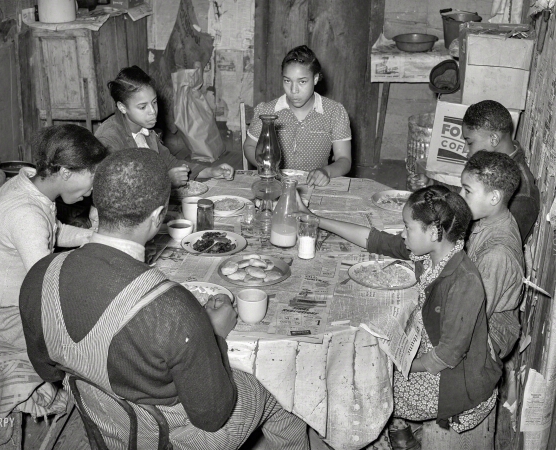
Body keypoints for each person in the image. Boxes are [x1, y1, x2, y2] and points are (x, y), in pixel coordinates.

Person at [19, 149, 309, 449]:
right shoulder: (172, 307)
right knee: (283, 394)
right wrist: (215, 336)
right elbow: (212, 416)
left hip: (103, 420)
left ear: (97, 203)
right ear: (158, 216)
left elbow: (47, 370)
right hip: (169, 435)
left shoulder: (40, 274)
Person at [297, 185, 502, 448]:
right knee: (355, 362)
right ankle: (391, 432)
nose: (403, 234)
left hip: (448, 384)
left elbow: (444, 358)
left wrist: (392, 364)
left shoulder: (464, 282)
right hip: (428, 358)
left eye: (408, 227)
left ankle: (372, 441)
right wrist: (316, 219)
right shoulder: (432, 253)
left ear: (432, 231)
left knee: (351, 384)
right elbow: (376, 240)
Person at [0, 124, 108, 349]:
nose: (91, 190)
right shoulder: (26, 215)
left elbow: (52, 230)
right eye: (91, 179)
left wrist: (92, 237)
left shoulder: (28, 185)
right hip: (6, 319)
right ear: (65, 172)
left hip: (1, 304)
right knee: (91, 336)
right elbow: (46, 283)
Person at [410, 100, 540, 243]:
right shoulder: (495, 165)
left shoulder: (522, 195)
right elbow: (472, 195)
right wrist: (432, 184)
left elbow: (500, 244)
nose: (465, 150)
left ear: (493, 139)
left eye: (470, 142)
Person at [95, 65, 234, 187]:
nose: (152, 111)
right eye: (142, 107)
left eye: (154, 102)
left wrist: (211, 171)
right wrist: (165, 181)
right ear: (122, 107)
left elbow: (169, 162)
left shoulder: (146, 130)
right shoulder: (109, 139)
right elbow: (117, 189)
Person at [243, 45, 352, 187]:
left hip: (314, 186)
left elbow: (344, 159)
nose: (294, 90)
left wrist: (326, 172)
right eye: (287, 81)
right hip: (273, 184)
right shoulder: (267, 110)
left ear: (315, 78)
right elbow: (249, 146)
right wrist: (266, 166)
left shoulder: (334, 112)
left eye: (302, 82)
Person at [460, 151, 524, 359]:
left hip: (491, 332)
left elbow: (474, 318)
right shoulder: (493, 216)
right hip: (475, 303)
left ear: (494, 197)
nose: (461, 196)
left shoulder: (497, 254)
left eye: (467, 191)